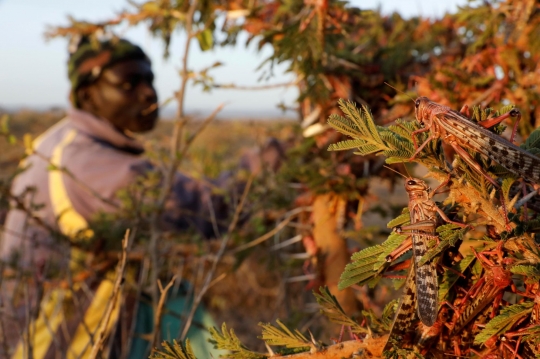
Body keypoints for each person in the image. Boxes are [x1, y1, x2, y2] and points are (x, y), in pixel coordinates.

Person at [0, 37, 259, 359]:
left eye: (149, 79)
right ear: (88, 95)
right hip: (57, 343)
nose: (148, 93)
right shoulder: (88, 163)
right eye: (128, 83)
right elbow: (207, 212)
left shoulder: (60, 139)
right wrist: (267, 164)